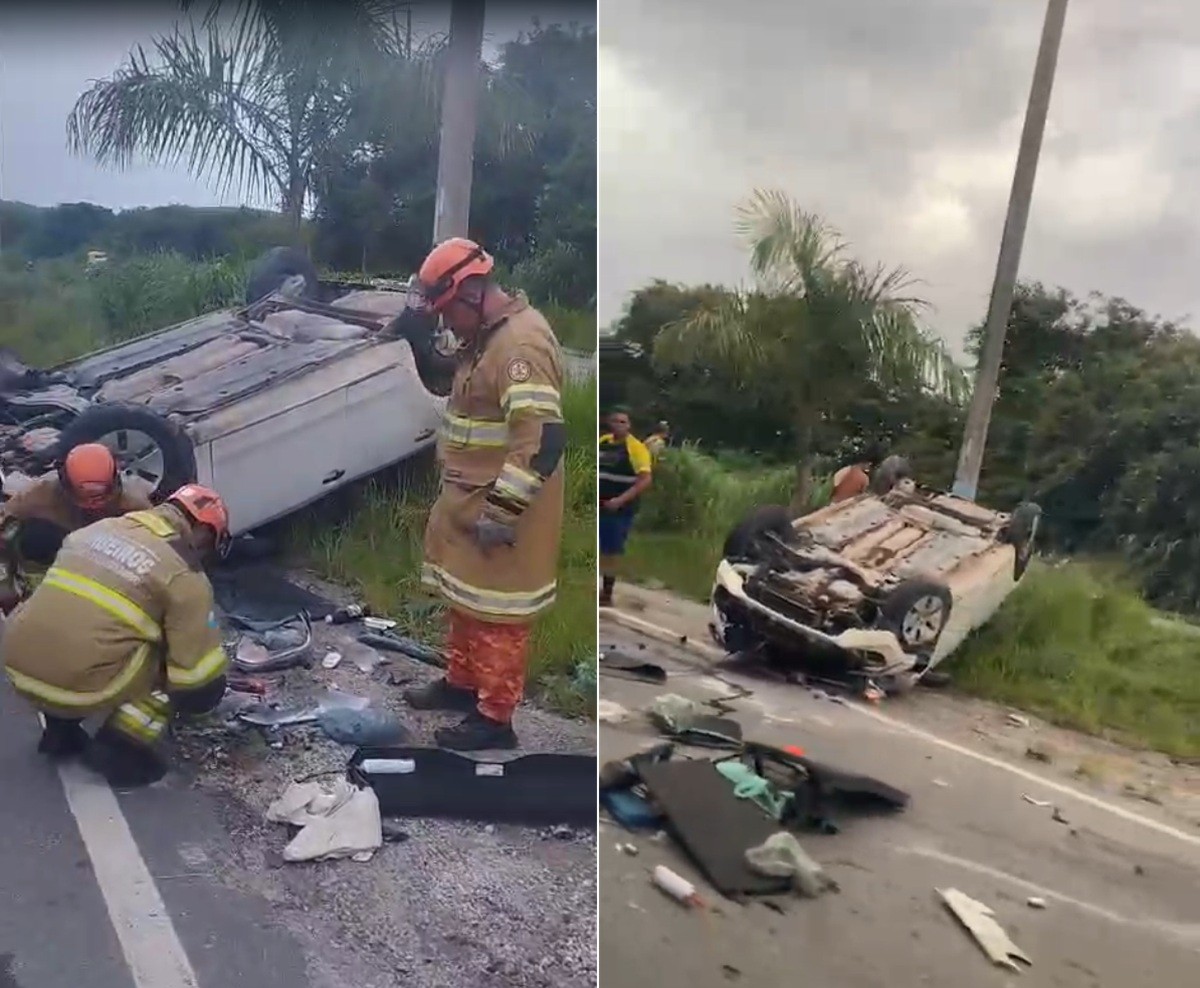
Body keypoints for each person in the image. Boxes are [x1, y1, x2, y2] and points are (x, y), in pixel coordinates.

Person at [406, 237, 566, 751]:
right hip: (467, 500)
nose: (446, 322)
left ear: (472, 292)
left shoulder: (520, 346)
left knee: (498, 617)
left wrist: (504, 510)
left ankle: (495, 720)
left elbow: (540, 439)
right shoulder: (484, 339)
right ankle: (462, 686)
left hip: (502, 509)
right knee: (465, 602)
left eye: (447, 310)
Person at [1, 484, 232, 788]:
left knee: (80, 621)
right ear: (203, 532)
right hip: (73, 684)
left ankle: (62, 732)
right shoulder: (184, 575)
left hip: (18, 664)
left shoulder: (99, 529)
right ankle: (121, 751)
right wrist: (210, 689)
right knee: (172, 665)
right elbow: (194, 680)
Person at [0, 443, 153, 570]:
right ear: (64, 480)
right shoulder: (39, 494)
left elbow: (158, 549)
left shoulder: (136, 503)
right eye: (84, 497)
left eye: (99, 497)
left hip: (110, 557)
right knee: (36, 537)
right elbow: (4, 527)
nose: (92, 505)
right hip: (59, 547)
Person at [598, 408, 653, 607]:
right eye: (615, 421)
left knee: (611, 551)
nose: (618, 425)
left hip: (619, 507)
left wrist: (620, 500)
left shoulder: (636, 448)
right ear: (609, 423)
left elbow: (645, 480)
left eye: (623, 422)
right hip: (600, 503)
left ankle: (607, 593)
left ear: (629, 426)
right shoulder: (603, 442)